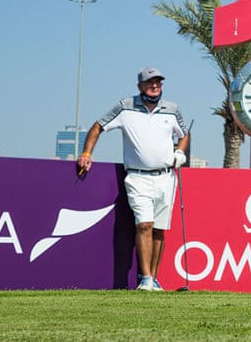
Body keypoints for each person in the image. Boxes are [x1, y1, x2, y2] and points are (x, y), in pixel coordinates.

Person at [76, 67, 189, 291]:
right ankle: (145, 279)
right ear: (140, 86)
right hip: (137, 177)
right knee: (144, 224)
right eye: (149, 82)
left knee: (159, 230)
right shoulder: (125, 107)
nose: (154, 86)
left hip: (166, 177)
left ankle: (154, 279)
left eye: (158, 82)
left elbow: (184, 133)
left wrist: (180, 152)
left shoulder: (172, 109)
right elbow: (98, 126)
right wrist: (87, 153)